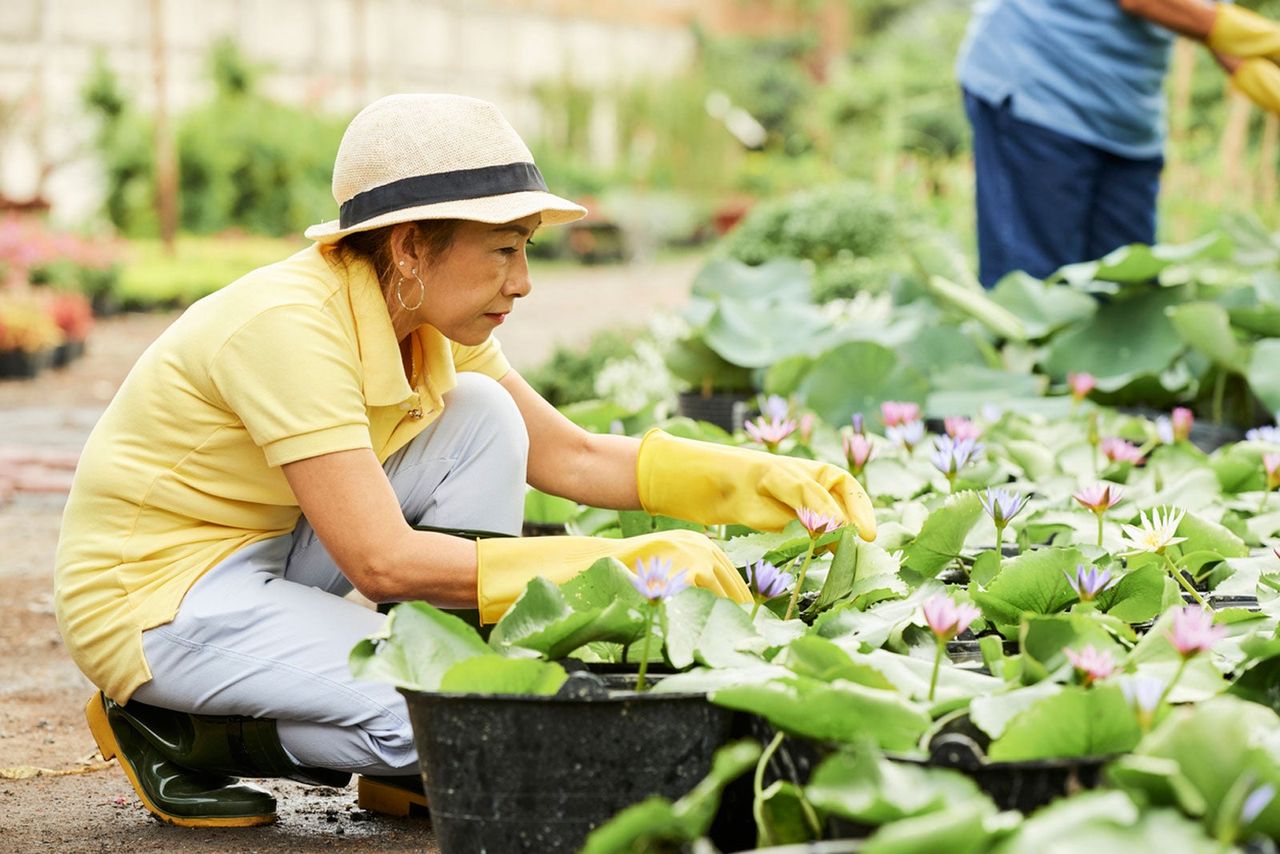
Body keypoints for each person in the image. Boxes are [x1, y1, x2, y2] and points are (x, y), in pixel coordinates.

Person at [53, 93, 877, 827]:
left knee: (481, 414)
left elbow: (572, 454)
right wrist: (619, 566)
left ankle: (423, 717)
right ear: (411, 247)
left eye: (525, 251)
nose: (522, 282)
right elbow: (381, 561)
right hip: (158, 600)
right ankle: (183, 734)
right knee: (465, 719)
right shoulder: (287, 328)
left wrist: (753, 479)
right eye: (504, 250)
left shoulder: (423, 319)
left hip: (270, 548)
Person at [957, 0, 1280, 288]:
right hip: (1037, 84)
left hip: (1125, 116)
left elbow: (1224, 40)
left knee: (1127, 291)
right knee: (1036, 285)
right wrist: (1271, 38)